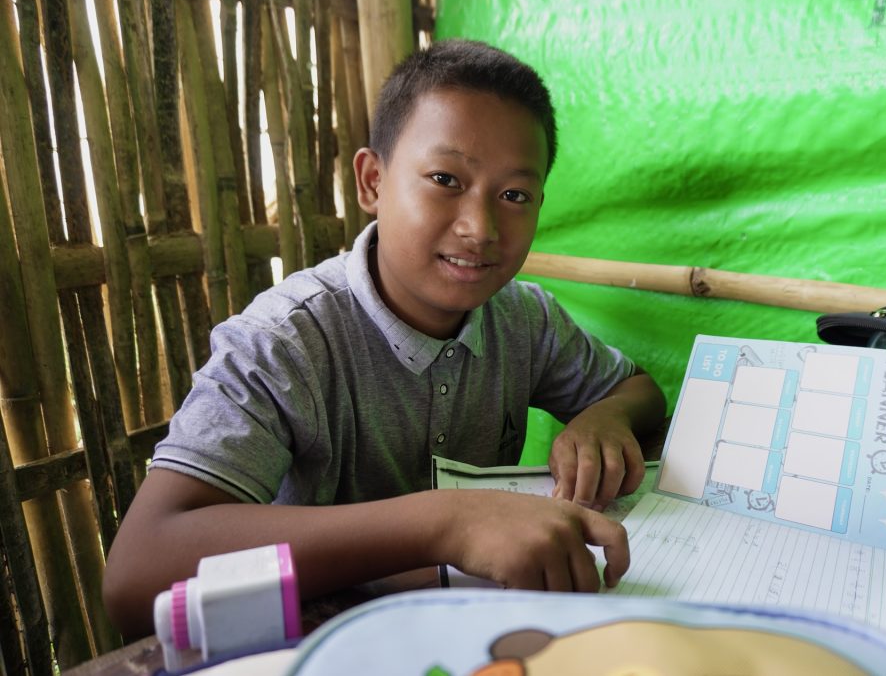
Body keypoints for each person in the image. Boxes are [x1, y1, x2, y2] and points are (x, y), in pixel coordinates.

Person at [102, 39, 666, 636]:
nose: (480, 227)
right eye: (445, 178)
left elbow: (636, 390)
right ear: (372, 181)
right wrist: (445, 523)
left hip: (467, 633)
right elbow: (137, 574)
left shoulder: (522, 318)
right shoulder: (283, 342)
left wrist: (604, 418)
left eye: (514, 196)